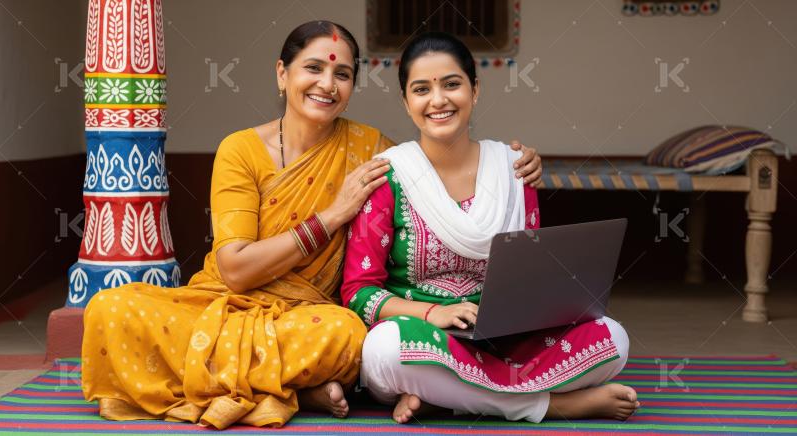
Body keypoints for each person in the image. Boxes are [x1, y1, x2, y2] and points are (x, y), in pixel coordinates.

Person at [81, 21, 545, 429]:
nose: (327, 84)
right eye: (313, 69)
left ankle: (275, 385)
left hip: (311, 318)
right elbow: (236, 269)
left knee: (346, 336)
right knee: (110, 310)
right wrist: (331, 216)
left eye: (342, 74)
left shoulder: (373, 151)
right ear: (282, 74)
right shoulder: (240, 150)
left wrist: (510, 165)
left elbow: (437, 165)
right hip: (222, 303)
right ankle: (299, 391)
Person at [342, 32, 640, 424]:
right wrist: (433, 314)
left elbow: (534, 272)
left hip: (507, 340)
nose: (438, 100)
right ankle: (550, 405)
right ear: (406, 101)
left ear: (475, 89)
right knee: (382, 350)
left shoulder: (513, 169)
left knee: (614, 338)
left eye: (452, 84)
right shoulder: (388, 176)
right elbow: (357, 293)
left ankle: (447, 398)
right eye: (421, 89)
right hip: (425, 336)